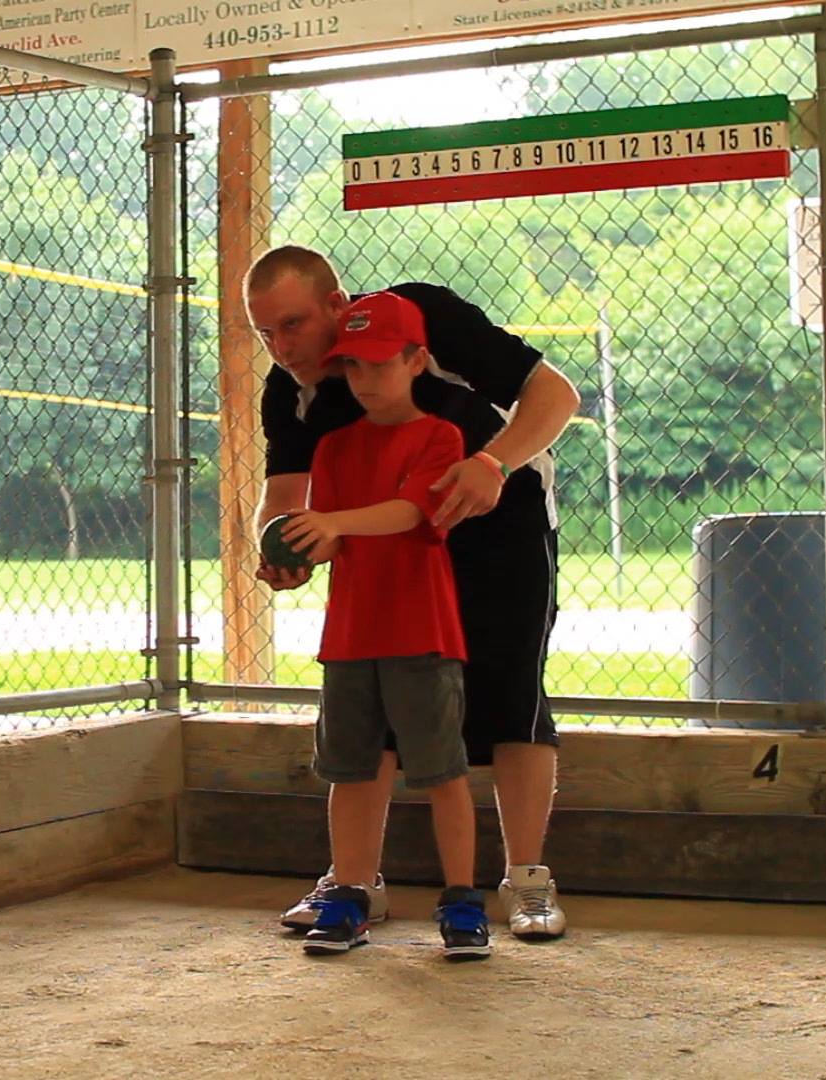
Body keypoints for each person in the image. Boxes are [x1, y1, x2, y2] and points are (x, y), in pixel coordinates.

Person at [246, 245, 580, 940]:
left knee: (512, 695)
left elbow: (555, 395)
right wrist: (281, 549)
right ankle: (355, 882)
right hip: (387, 551)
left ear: (337, 305)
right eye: (265, 332)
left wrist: (493, 463)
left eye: (294, 324)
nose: (281, 347)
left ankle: (526, 880)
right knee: (376, 706)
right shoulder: (292, 391)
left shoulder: (420, 318)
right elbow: (283, 496)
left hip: (500, 525)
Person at [283, 290, 488, 960]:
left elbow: (409, 512)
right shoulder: (334, 447)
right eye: (353, 365)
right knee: (350, 770)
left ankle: (462, 901)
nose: (365, 379)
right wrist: (296, 557)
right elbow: (331, 538)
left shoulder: (440, 436)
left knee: (441, 770)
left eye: (380, 363)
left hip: (421, 631)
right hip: (351, 634)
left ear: (415, 361)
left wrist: (331, 523)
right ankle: (350, 893)